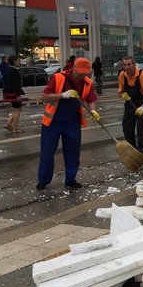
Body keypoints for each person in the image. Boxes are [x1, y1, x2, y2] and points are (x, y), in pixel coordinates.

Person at [37, 57, 99, 190]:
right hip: (53, 121)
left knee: (73, 152)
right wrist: (63, 95)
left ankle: (70, 179)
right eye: (81, 72)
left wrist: (93, 110)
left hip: (73, 122)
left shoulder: (87, 83)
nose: (83, 75)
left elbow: (91, 99)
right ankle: (43, 180)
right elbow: (44, 97)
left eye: (85, 73)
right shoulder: (59, 78)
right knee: (47, 152)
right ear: (74, 68)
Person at [119, 55, 143, 155]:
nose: (126, 67)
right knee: (127, 129)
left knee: (141, 131)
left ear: (134, 64)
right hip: (129, 105)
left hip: (142, 105)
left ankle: (141, 153)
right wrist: (123, 95)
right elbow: (120, 92)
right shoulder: (122, 75)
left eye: (129, 65)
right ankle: (133, 151)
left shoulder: (141, 75)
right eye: (124, 65)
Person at [3, 55, 25, 133]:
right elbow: (16, 84)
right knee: (17, 110)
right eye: (18, 60)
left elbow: (5, 82)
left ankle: (8, 123)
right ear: (14, 61)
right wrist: (18, 95)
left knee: (15, 108)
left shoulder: (7, 70)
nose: (19, 62)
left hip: (8, 92)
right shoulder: (14, 71)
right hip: (14, 93)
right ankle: (15, 127)